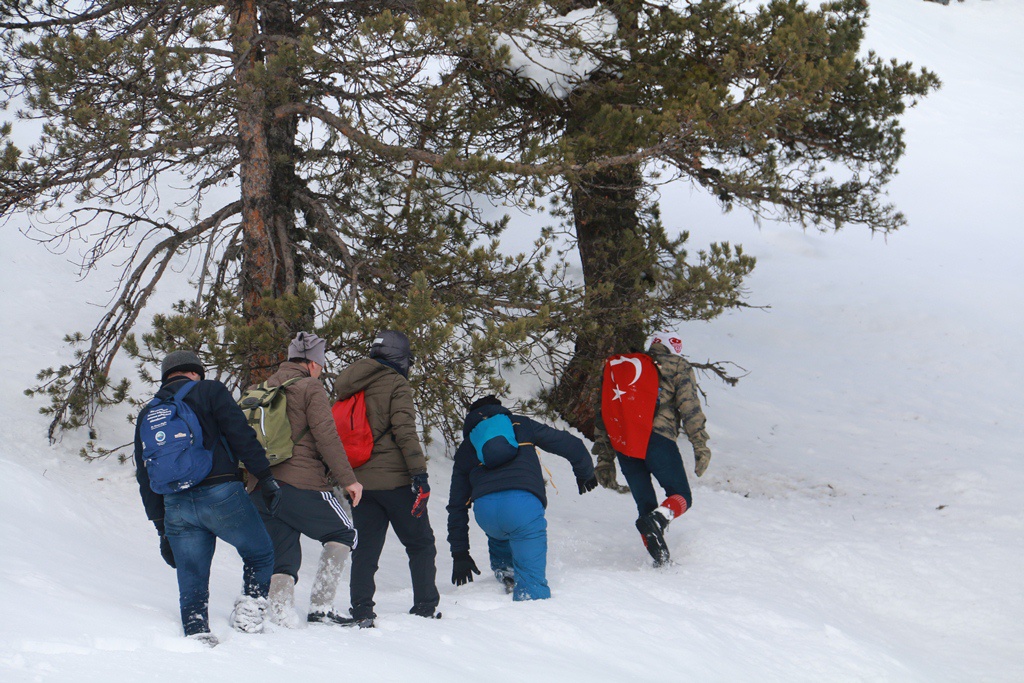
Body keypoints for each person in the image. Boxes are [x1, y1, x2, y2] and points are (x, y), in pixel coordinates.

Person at [135, 350, 282, 646]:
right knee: (260, 552)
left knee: (192, 574)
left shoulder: (150, 412)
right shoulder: (209, 390)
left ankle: (197, 629)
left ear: (167, 377)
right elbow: (240, 433)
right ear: (195, 372)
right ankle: (249, 616)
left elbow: (144, 473)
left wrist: (162, 528)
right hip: (221, 494)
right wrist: (264, 477)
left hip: (175, 504)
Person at [247, 332, 364, 628]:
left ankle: (281, 614)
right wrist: (348, 479)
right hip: (301, 484)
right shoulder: (310, 387)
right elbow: (327, 436)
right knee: (344, 533)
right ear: (313, 363)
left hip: (261, 488)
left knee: (282, 552)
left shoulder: (259, 389)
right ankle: (321, 609)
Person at [334, 330, 439, 626]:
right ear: (401, 358)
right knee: (420, 543)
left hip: (360, 483)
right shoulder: (396, 384)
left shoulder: (351, 384)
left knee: (365, 549)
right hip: (396, 483)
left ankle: (362, 610)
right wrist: (419, 474)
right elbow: (404, 431)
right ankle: (425, 606)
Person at [447, 396, 597, 601]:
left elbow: (456, 506)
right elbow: (570, 444)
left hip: (486, 512)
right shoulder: (521, 424)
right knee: (531, 585)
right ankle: (529, 599)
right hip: (522, 506)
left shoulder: (467, 446)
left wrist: (460, 553)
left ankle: (506, 571)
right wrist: (585, 472)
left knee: (500, 535)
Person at [593, 332, 712, 566]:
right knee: (681, 496)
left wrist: (605, 460)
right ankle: (660, 521)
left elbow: (605, 412)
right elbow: (690, 408)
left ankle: (661, 560)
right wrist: (700, 445)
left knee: (645, 507)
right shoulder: (678, 365)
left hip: (625, 443)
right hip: (657, 439)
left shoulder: (621, 368)